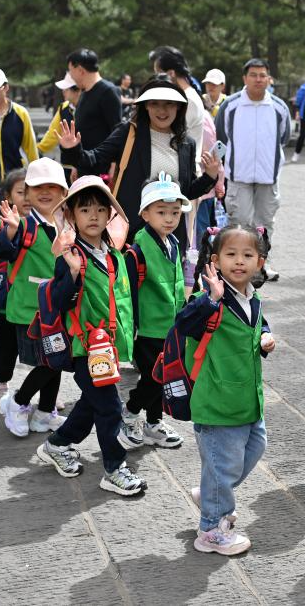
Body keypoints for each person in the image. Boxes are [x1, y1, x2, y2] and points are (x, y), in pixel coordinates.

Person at [33, 175, 147, 496]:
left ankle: (58, 444)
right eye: (85, 210)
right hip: (85, 347)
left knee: (91, 403)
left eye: (100, 209)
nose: (93, 216)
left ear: (110, 214)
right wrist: (70, 273)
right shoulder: (71, 256)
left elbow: (123, 299)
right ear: (71, 215)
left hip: (108, 347)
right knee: (109, 407)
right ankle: (114, 468)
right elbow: (59, 300)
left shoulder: (113, 254)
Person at [177, 225, 275, 554]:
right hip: (218, 401)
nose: (239, 261)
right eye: (231, 254)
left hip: (247, 399)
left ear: (260, 262)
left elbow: (257, 325)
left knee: (255, 447)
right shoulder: (210, 299)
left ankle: (211, 493)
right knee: (224, 466)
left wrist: (265, 337)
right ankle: (211, 530)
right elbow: (184, 323)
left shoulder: (252, 297)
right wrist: (210, 300)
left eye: (247, 255)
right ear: (216, 260)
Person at [58, 79, 219, 251]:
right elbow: (93, 161)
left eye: (169, 104)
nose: (162, 110)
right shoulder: (128, 133)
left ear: (178, 107)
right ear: (146, 106)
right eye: (155, 104)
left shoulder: (187, 143)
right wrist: (72, 149)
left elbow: (186, 192)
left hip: (170, 237)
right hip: (131, 234)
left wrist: (210, 175)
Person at [0, 158, 69, 436]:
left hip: (60, 308)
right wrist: (10, 231)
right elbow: (1, 251)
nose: (45, 192)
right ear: (27, 193)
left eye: (52, 187)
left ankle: (45, 413)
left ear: (64, 192)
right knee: (47, 362)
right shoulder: (23, 225)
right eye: (37, 188)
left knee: (58, 359)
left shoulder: (67, 224)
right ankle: (18, 402)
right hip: (30, 309)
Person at [118, 175, 191, 450]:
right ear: (145, 214)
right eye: (161, 212)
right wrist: (131, 328)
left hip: (169, 326)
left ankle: (153, 423)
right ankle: (130, 412)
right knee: (155, 377)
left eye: (175, 212)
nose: (169, 219)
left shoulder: (173, 242)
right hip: (146, 329)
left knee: (164, 375)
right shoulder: (138, 250)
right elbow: (127, 293)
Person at [214, 59, 292, 282]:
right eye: (253, 75)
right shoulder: (230, 106)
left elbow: (284, 138)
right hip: (239, 176)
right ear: (244, 78)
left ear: (269, 78)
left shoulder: (279, 107)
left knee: (265, 224)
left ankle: (261, 265)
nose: (258, 79)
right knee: (239, 222)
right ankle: (233, 266)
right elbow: (221, 138)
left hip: (268, 177)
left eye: (262, 75)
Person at [0, 168, 28, 406]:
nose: (28, 197)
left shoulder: (48, 224)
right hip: (9, 297)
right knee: (5, 343)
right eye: (21, 192)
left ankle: (45, 390)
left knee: (44, 346)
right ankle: (0, 382)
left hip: (36, 298)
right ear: (8, 196)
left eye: (33, 191)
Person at [151, 46, 206, 159]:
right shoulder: (183, 97)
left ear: (171, 73)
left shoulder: (188, 100)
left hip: (184, 167)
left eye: (159, 74)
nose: (157, 79)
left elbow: (169, 139)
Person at [66, 49, 122, 151]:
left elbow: (117, 132)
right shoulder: (84, 92)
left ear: (80, 70)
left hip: (102, 159)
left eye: (70, 70)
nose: (70, 75)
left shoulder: (108, 91)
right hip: (84, 158)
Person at [37, 72, 81, 156]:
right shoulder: (63, 108)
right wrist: (38, 149)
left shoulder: (90, 106)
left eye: (66, 89)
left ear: (78, 90)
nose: (63, 91)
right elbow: (53, 134)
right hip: (69, 159)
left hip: (91, 158)